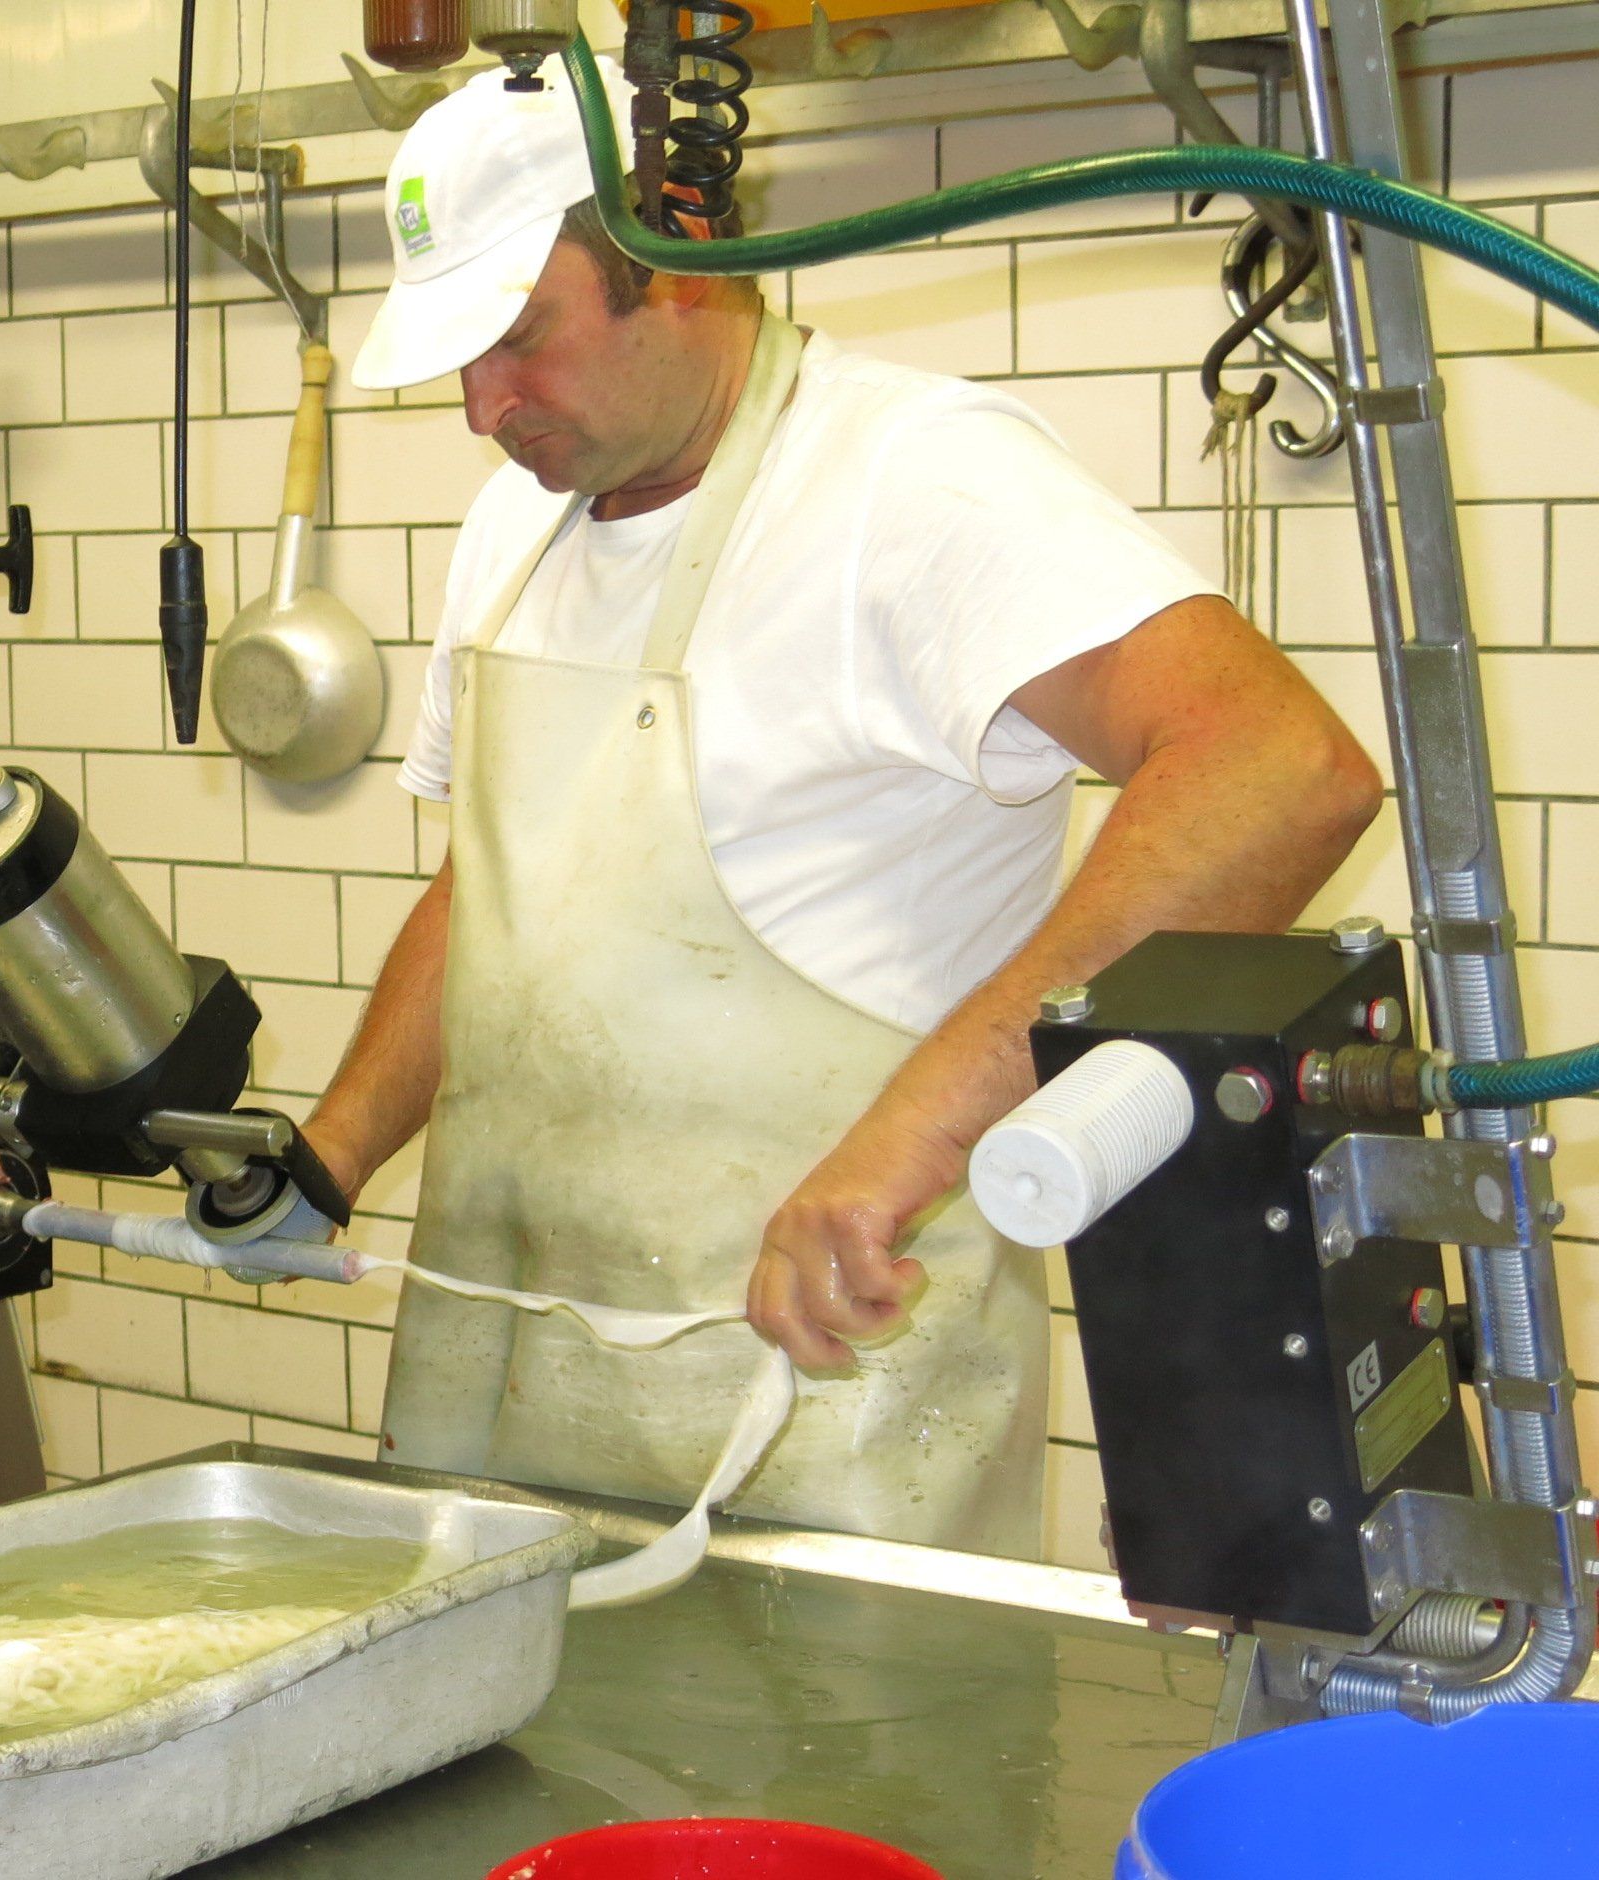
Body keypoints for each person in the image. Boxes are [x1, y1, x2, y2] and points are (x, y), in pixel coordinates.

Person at [297, 60, 1381, 1555]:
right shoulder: (511, 529)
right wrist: (329, 1155)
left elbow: (1281, 771)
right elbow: (496, 897)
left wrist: (909, 1143)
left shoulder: (908, 480)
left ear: (676, 253)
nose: (484, 408)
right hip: (501, 1395)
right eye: (459, 363)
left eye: (518, 338)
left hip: (824, 1407)